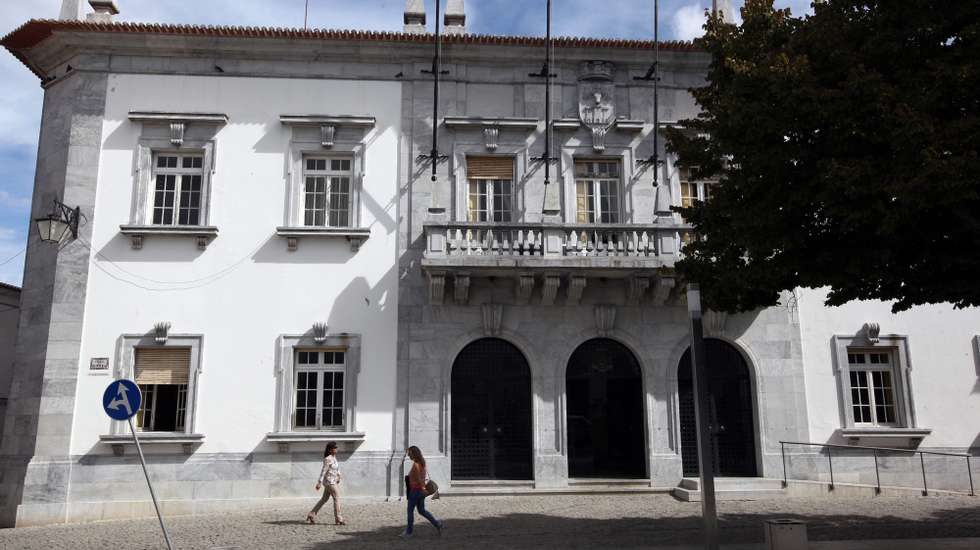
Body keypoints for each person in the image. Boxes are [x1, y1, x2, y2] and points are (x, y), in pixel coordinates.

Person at [401, 446, 442, 538]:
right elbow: (422, 477)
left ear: (413, 453)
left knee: (410, 512)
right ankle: (437, 524)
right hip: (420, 491)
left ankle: (409, 532)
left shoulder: (416, 464)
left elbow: (419, 479)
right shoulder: (422, 463)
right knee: (422, 510)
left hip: (415, 491)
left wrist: (423, 489)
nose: (408, 455)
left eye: (409, 453)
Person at [307, 441, 346, 525]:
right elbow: (323, 471)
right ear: (330, 450)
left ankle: (312, 514)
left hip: (333, 481)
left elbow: (337, 468)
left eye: (336, 447)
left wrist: (339, 476)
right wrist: (319, 482)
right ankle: (339, 518)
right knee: (336, 498)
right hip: (329, 482)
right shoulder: (327, 459)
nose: (337, 449)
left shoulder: (334, 457)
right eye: (335, 447)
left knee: (324, 499)